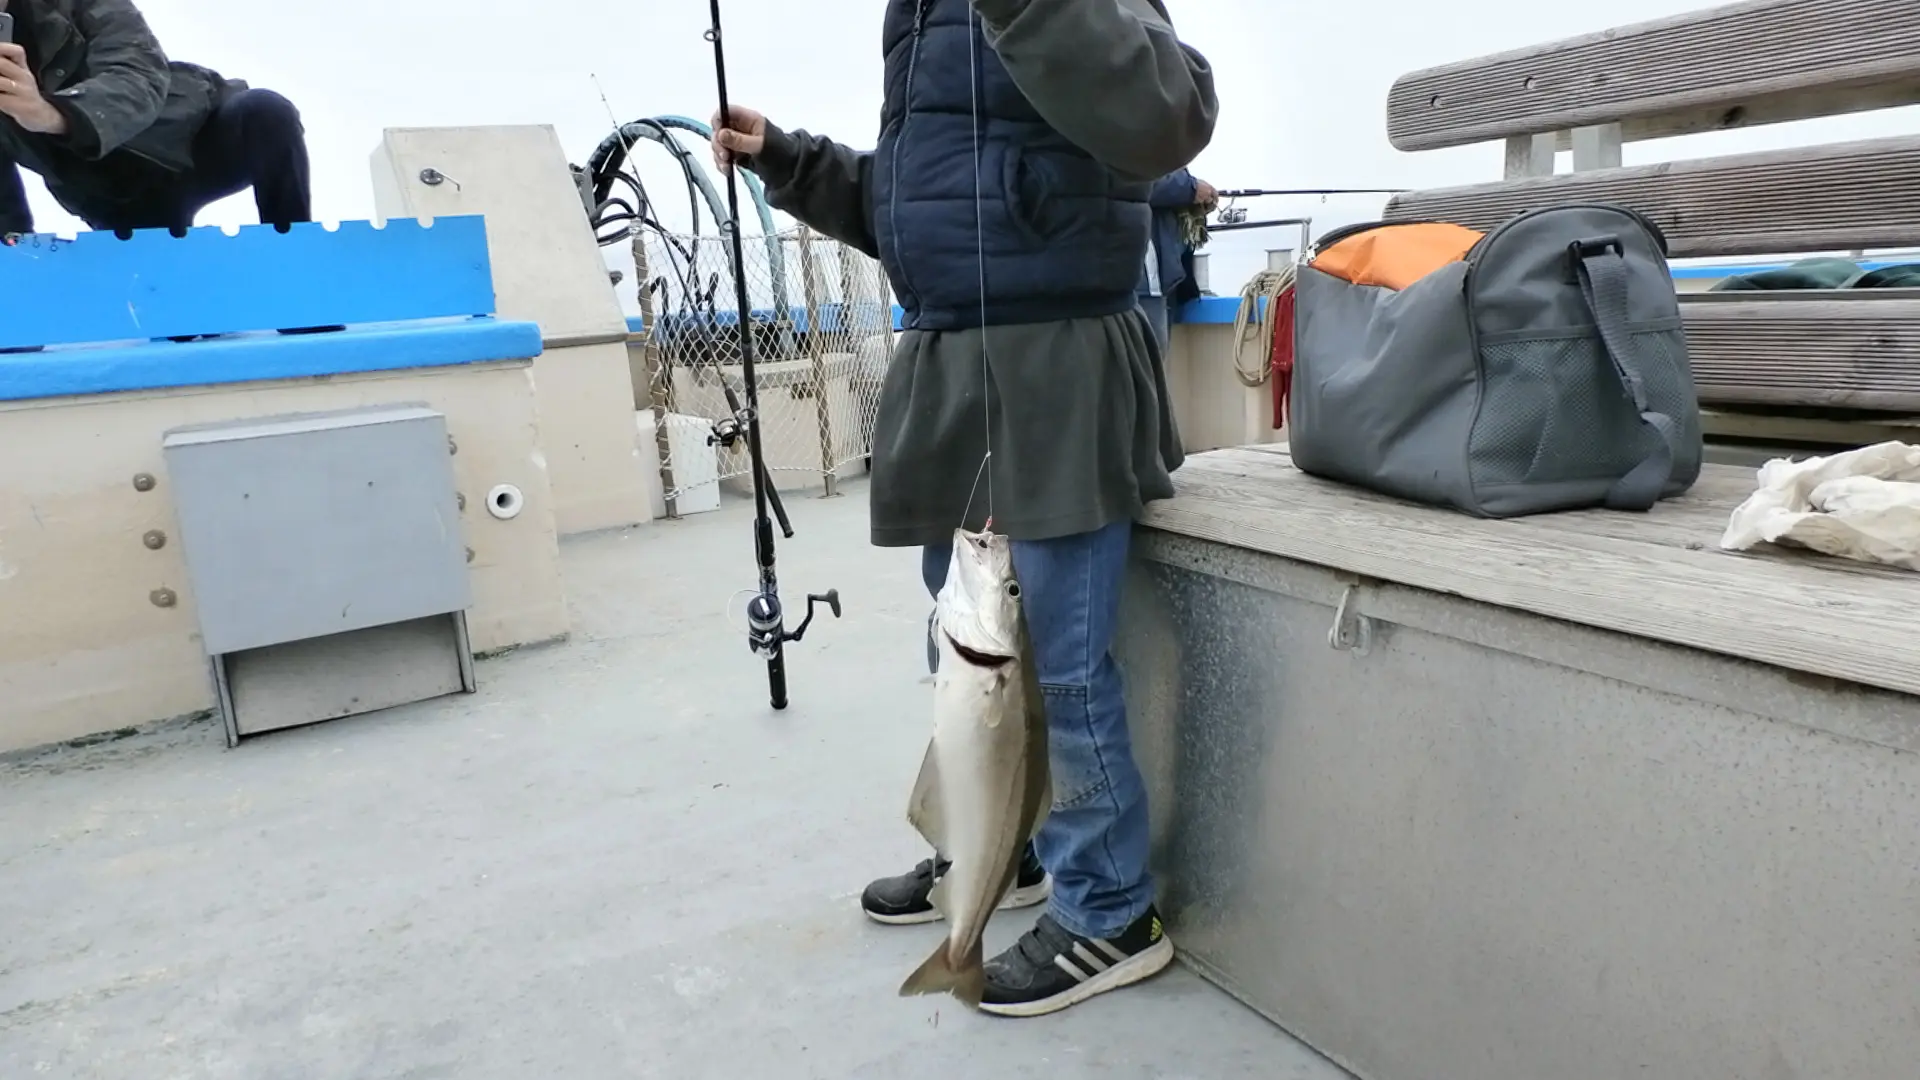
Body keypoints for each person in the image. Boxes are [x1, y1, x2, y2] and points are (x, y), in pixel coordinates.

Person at [712, 0, 1216, 1017]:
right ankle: (1002, 853)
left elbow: (1171, 113)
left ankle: (1112, 910)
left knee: (1061, 670)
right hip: (952, 366)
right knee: (961, 658)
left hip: (1056, 364)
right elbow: (923, 199)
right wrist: (795, 163)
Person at [0, 0, 313, 237]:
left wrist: (50, 114)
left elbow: (136, 74)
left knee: (267, 113)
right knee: (169, 311)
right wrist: (17, 256)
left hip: (191, 135)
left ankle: (301, 266)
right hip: (114, 196)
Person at [1137, 168, 1215, 354]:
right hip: (1143, 283)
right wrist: (1190, 188)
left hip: (1154, 280)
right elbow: (1135, 178)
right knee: (1148, 368)